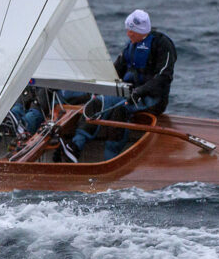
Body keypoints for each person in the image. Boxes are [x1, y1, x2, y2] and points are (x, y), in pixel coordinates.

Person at [55, 9, 176, 162]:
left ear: (141, 30)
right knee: (96, 103)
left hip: (152, 99)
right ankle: (75, 147)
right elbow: (115, 72)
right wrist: (99, 86)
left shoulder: (162, 44)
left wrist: (140, 91)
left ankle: (111, 158)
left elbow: (164, 76)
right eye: (128, 30)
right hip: (128, 92)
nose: (128, 34)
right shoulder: (130, 46)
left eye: (132, 30)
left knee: (119, 111)